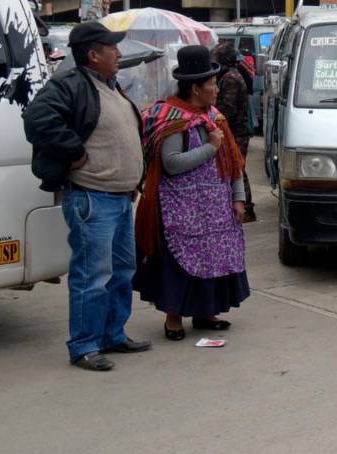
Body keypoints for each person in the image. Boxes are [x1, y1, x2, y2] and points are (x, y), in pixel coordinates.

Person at [23, 22, 150, 372]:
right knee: (92, 276)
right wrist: (74, 151)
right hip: (93, 199)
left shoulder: (111, 86)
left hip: (120, 198)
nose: (119, 54)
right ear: (93, 55)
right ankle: (84, 346)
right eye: (112, 48)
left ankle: (112, 334)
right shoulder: (71, 84)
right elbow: (37, 118)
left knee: (122, 271)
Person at [134, 45, 251, 341]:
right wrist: (210, 147)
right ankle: (173, 319)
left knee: (213, 258)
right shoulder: (173, 119)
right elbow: (172, 164)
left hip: (216, 208)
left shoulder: (214, 117)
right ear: (196, 88)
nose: (216, 89)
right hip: (181, 209)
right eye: (212, 84)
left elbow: (233, 163)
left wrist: (238, 198)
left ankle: (205, 312)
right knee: (180, 261)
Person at [213, 42, 257, 221]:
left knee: (237, 168)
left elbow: (228, 109)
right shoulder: (231, 74)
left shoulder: (230, 78)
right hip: (236, 129)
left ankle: (246, 209)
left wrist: (214, 116)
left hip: (236, 131)